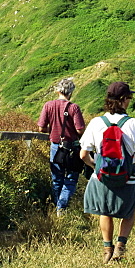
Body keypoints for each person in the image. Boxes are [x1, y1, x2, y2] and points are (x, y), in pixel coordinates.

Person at [80, 81, 135, 263]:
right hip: (128, 178)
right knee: (128, 212)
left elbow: (83, 154)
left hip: (102, 178)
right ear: (123, 100)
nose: (130, 100)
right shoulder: (134, 124)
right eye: (129, 97)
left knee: (105, 211)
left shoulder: (97, 122)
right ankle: (121, 246)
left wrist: (95, 167)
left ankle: (107, 249)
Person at [38, 78, 86, 216]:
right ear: (71, 93)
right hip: (71, 147)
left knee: (56, 178)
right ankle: (61, 207)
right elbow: (80, 129)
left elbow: (41, 128)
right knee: (71, 177)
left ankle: (57, 206)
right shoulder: (73, 107)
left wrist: (53, 130)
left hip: (55, 146)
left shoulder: (48, 105)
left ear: (58, 91)